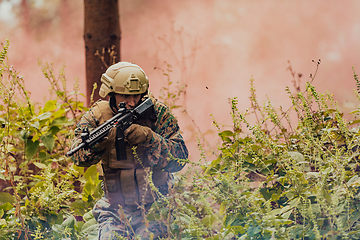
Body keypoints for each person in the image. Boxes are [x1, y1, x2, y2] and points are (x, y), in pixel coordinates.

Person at [69, 62, 188, 239]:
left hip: (156, 206)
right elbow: (77, 156)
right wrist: (99, 143)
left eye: (137, 95)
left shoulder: (157, 113)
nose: (132, 102)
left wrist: (150, 138)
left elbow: (180, 159)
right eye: (125, 96)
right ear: (111, 94)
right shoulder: (98, 116)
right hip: (115, 209)